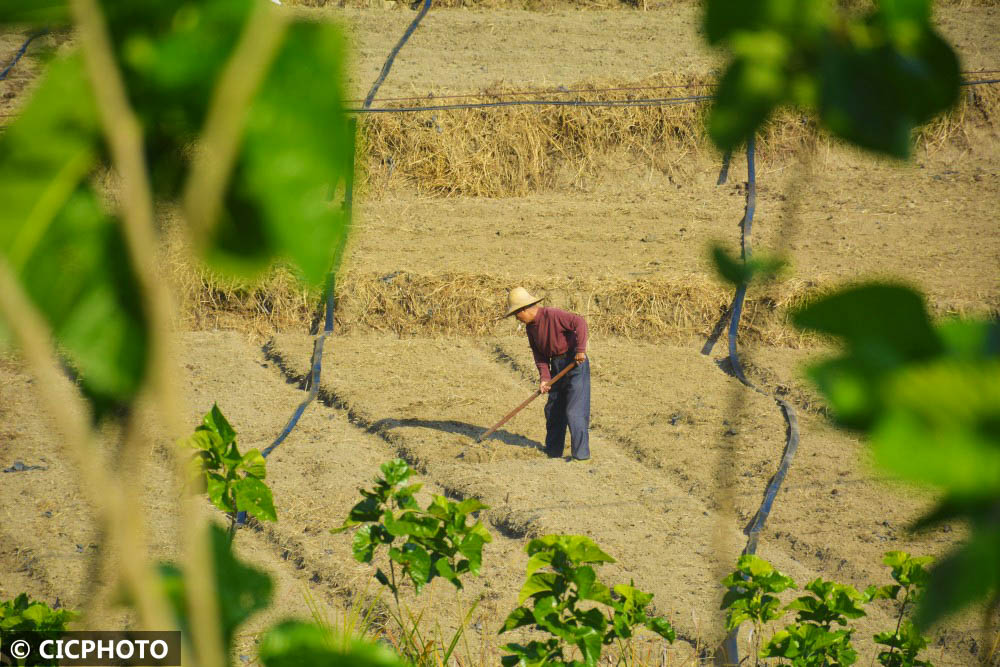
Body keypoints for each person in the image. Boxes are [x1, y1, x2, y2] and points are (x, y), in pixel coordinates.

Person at [504, 287, 591, 461]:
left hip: (575, 363)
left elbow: (579, 322)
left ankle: (581, 456)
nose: (516, 318)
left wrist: (580, 350)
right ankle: (553, 453)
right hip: (557, 366)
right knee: (553, 410)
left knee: (574, 411)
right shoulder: (531, 329)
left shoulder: (552, 314)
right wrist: (545, 379)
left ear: (525, 309)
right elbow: (540, 356)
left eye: (516, 314)